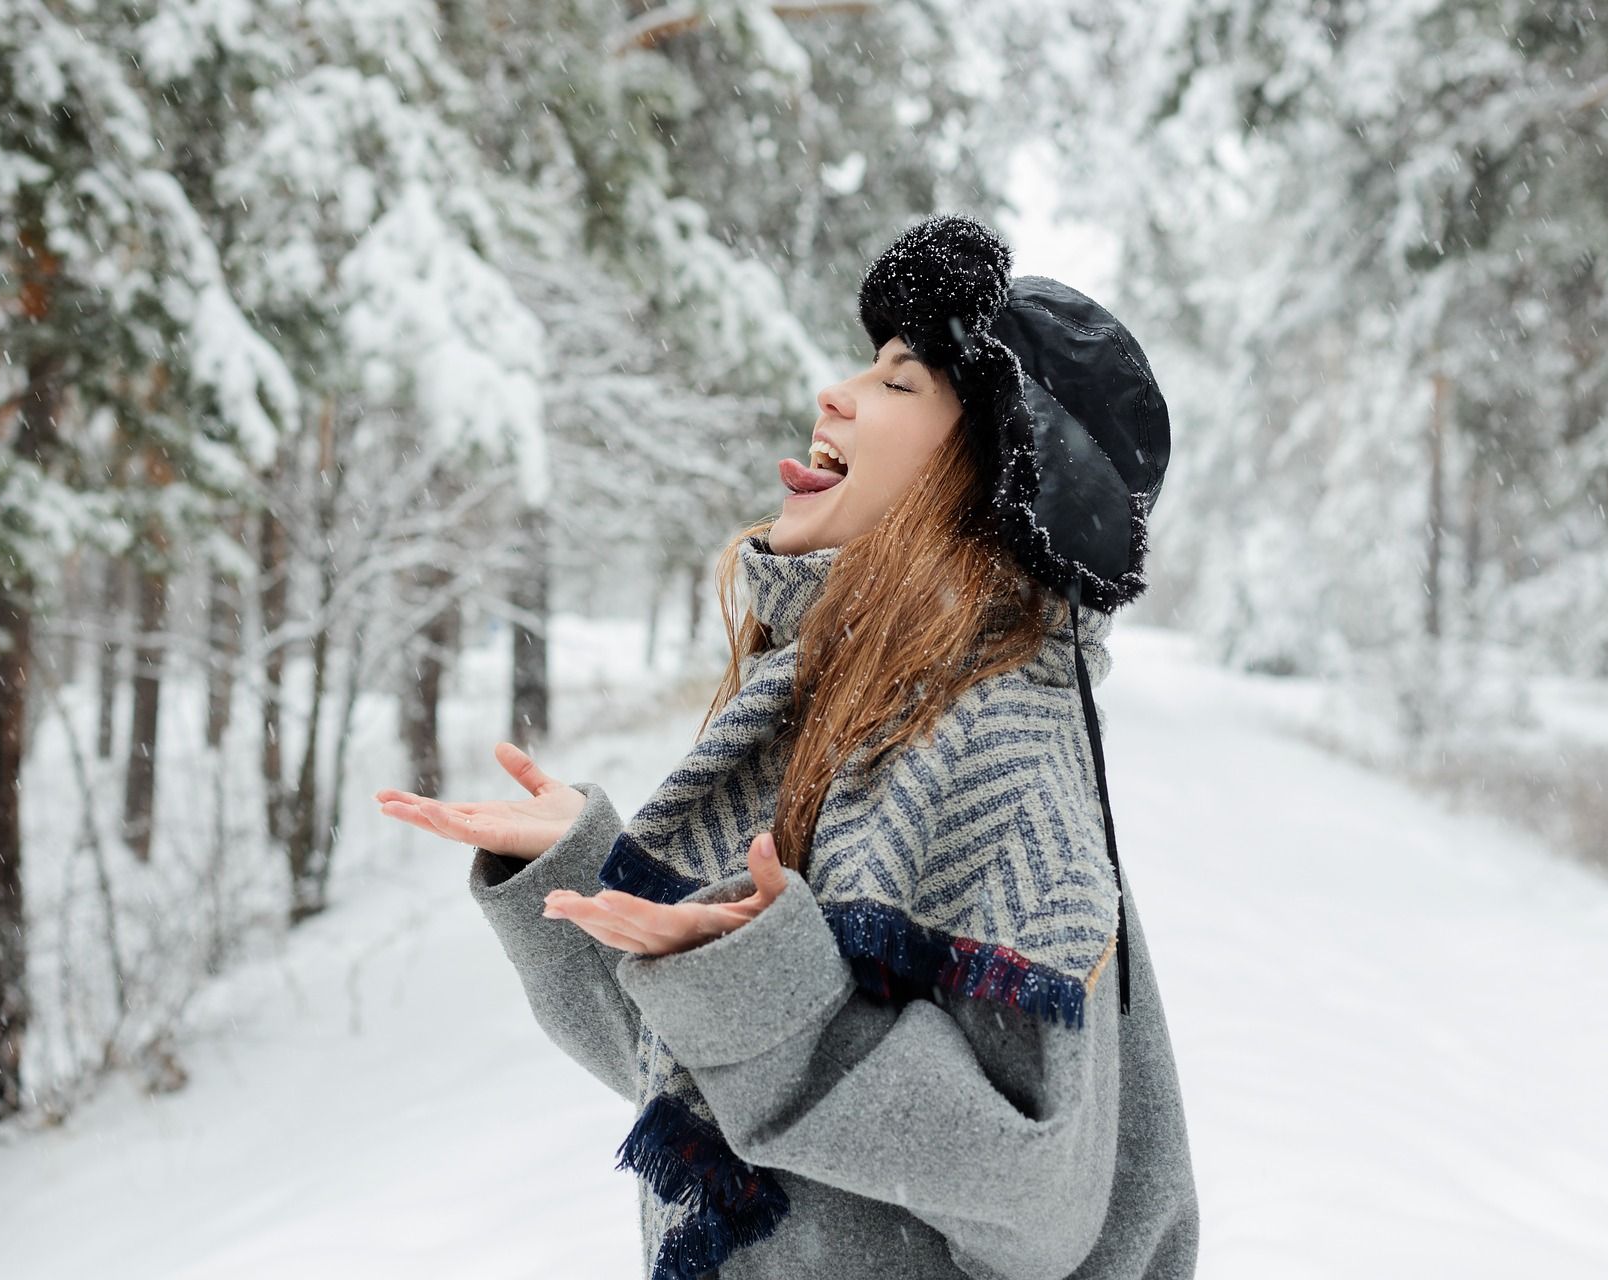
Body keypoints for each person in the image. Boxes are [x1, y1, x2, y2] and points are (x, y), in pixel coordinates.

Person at [376, 214, 1199, 1280]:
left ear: (994, 482)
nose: (837, 392)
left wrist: (769, 991)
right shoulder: (829, 708)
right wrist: (573, 872)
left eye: (901, 383)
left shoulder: (996, 737)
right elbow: (686, 1071)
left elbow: (1036, 1196)